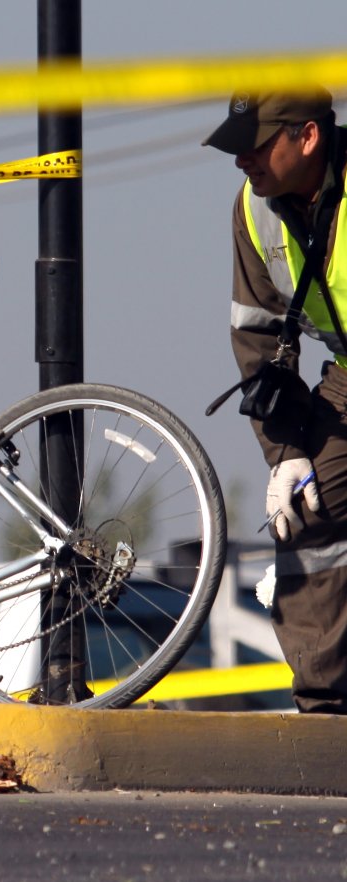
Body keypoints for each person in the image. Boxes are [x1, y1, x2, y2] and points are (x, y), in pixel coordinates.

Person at [203, 89, 347, 713]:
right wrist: (286, 450)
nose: (243, 163)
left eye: (255, 147)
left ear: (308, 138)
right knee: (307, 507)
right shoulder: (254, 209)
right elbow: (258, 335)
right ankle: (325, 712)